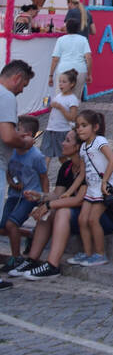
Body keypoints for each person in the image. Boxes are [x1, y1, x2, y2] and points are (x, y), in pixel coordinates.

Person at [18, 128, 87, 280]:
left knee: (57, 210)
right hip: (75, 215)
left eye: (67, 140)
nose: (62, 143)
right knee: (50, 210)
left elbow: (78, 200)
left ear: (77, 147)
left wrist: (49, 205)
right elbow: (57, 195)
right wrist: (41, 196)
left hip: (90, 216)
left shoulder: (87, 168)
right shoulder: (66, 167)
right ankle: (32, 259)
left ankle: (52, 265)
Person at [0, 60, 36, 290]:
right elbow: (7, 136)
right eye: (23, 84)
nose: (22, 90)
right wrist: (24, 140)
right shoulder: (6, 97)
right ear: (17, 78)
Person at [74, 109, 113, 266]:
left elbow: (112, 160)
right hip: (92, 188)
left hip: (103, 188)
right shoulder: (83, 148)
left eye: (84, 125)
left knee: (93, 219)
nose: (80, 129)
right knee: (82, 219)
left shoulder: (100, 141)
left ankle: (100, 253)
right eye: (78, 126)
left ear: (95, 127)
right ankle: (88, 253)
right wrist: (69, 192)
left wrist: (105, 182)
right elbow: (82, 174)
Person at [1, 117, 49, 274]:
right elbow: (7, 170)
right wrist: (11, 182)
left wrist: (44, 198)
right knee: (3, 227)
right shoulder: (12, 150)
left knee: (11, 224)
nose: (13, 132)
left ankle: (16, 257)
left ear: (27, 134)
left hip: (30, 196)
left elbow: (44, 177)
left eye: (17, 129)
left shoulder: (36, 156)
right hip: (14, 194)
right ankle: (29, 234)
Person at [41, 70, 80, 169]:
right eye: (60, 81)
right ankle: (43, 174)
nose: (61, 84)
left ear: (72, 84)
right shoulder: (58, 96)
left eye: (64, 82)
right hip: (51, 129)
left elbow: (72, 117)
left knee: (62, 157)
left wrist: (60, 108)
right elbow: (53, 111)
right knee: (46, 155)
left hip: (62, 131)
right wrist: (50, 106)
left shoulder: (72, 99)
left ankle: (73, 171)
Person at [48, 19, 92, 99]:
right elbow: (88, 57)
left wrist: (51, 75)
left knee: (59, 97)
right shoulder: (83, 39)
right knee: (76, 98)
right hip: (80, 70)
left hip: (63, 70)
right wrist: (89, 74)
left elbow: (55, 59)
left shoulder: (60, 40)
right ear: (78, 28)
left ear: (67, 28)